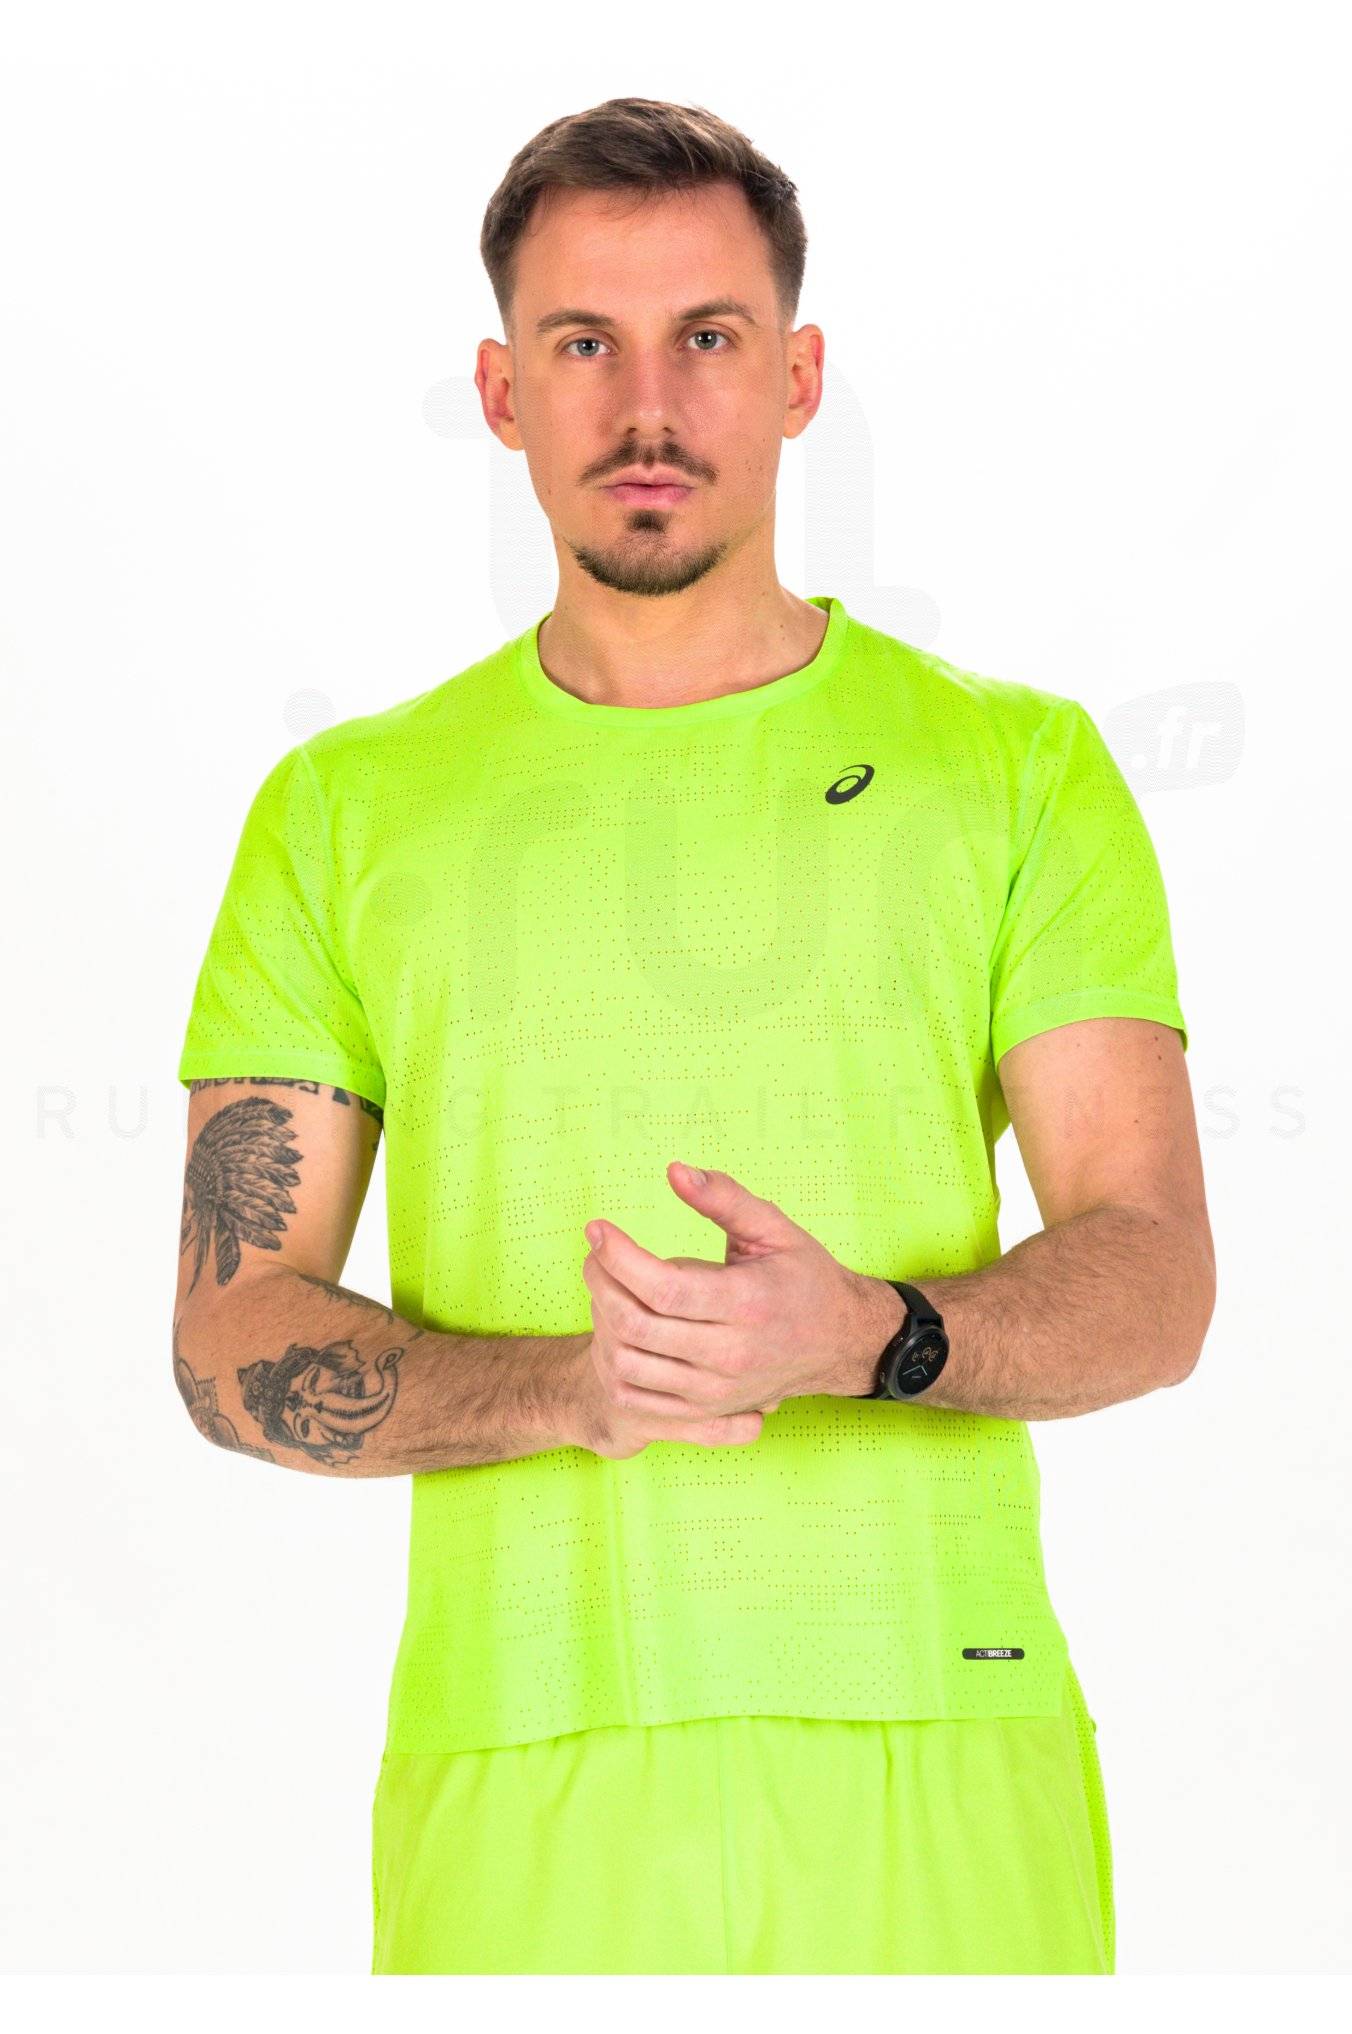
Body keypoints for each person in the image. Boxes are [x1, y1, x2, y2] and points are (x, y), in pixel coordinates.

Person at [172, 96, 1215, 1976]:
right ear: (502, 393)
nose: (647, 405)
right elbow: (228, 1329)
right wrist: (566, 1391)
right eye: (585, 344)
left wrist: (873, 1332)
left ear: (798, 377)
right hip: (522, 1771)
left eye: (708, 337)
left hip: (942, 1732)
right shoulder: (341, 814)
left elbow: (1155, 1271)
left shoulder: (1020, 771)